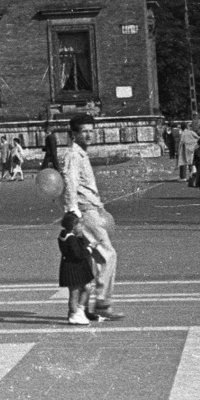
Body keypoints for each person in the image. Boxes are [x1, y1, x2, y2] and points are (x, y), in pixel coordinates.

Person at [61, 113, 119, 320]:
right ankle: (102, 302)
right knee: (107, 254)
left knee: (88, 260)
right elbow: (70, 182)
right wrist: (73, 210)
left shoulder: (81, 154)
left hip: (91, 208)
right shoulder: (73, 155)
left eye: (91, 131)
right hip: (84, 211)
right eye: (84, 131)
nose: (89, 135)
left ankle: (83, 308)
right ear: (74, 134)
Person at [57, 211, 96, 326]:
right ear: (74, 227)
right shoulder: (71, 239)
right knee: (74, 293)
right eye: (80, 225)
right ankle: (74, 314)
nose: (82, 227)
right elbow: (78, 254)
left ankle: (78, 311)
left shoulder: (64, 235)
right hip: (73, 269)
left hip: (73, 267)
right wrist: (89, 249)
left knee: (87, 287)